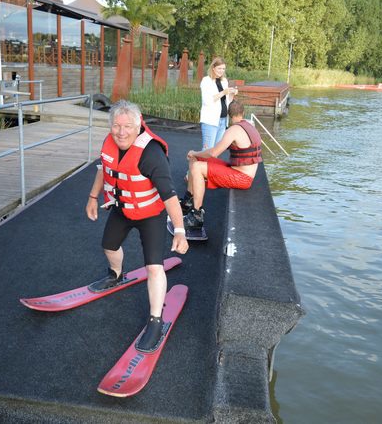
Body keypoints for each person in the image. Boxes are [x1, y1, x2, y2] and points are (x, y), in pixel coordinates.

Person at [86, 100, 188, 352]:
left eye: (127, 126)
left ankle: (155, 320)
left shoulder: (151, 154)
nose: (121, 132)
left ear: (138, 124)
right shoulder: (110, 143)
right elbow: (104, 169)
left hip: (150, 214)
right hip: (122, 209)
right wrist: (92, 197)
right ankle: (116, 275)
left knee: (154, 267)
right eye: (116, 126)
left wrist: (179, 231)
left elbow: (170, 195)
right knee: (109, 247)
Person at [181, 101, 263, 230]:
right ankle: (188, 202)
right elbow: (215, 151)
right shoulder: (250, 127)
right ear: (243, 113)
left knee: (197, 167)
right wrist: (196, 155)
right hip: (240, 173)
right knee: (195, 159)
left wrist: (194, 152)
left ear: (229, 115)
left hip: (241, 178)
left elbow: (214, 153)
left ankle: (196, 216)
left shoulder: (233, 130)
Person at [199, 57, 238, 150]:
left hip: (223, 120)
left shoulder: (224, 81)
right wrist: (223, 92)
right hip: (210, 121)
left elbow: (227, 101)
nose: (221, 71)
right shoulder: (206, 81)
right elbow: (207, 101)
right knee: (207, 150)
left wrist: (232, 93)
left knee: (217, 150)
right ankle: (197, 160)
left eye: (223, 69)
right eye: (219, 68)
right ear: (213, 68)